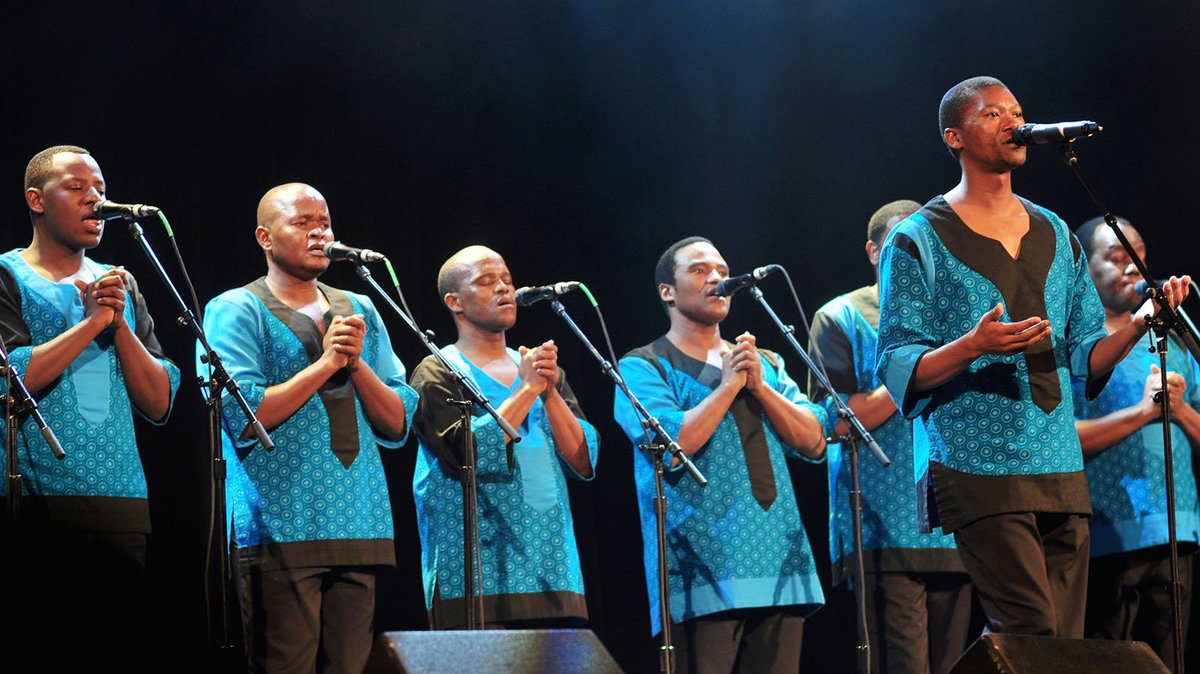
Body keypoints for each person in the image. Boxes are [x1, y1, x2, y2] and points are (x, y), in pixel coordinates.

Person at [874, 76, 1190, 638]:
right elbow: (899, 362)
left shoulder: (1055, 231)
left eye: (1016, 111)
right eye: (992, 114)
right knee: (1029, 632)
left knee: (1063, 644)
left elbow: (1087, 355)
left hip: (1059, 465)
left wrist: (1143, 321)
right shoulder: (916, 238)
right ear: (955, 137)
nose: (1013, 121)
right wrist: (973, 346)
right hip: (976, 464)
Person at [201, 183, 417, 673]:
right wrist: (325, 364)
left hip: (360, 523)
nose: (319, 232)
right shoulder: (236, 308)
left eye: (324, 222)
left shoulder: (359, 306)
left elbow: (398, 421)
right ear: (265, 237)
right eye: (302, 222)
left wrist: (356, 365)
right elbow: (243, 414)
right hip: (281, 527)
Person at [614, 236, 827, 674]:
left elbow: (814, 440)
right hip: (701, 567)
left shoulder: (761, 362)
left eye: (721, 269)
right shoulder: (643, 365)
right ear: (667, 292)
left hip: (782, 565)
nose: (716, 278)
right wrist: (729, 386)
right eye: (698, 270)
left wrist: (760, 386)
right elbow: (671, 446)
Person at [0, 145, 181, 663]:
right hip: (32, 507)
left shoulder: (120, 284)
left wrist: (116, 321)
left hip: (120, 506)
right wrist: (91, 323)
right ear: (36, 200)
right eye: (76, 188)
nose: (95, 200)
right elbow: (12, 381)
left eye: (100, 188)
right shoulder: (6, 276)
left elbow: (159, 401)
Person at [809, 200, 972, 674]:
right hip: (884, 523)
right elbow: (835, 421)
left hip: (952, 518)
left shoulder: (954, 315)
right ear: (873, 251)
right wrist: (916, 369)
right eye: (901, 245)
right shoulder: (840, 315)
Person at [410, 245, 598, 629]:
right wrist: (527, 390)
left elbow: (584, 461)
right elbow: (463, 454)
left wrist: (547, 391)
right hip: (478, 574)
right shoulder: (437, 370)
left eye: (507, 280)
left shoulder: (541, 370)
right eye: (486, 281)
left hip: (553, 566)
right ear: (455, 302)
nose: (503, 289)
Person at [1073, 215, 1200, 667]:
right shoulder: (1080, 349)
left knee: (1168, 661)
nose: (1133, 267)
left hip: (1178, 530)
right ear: (1085, 268)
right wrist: (1143, 412)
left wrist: (1180, 411)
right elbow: (1061, 437)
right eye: (1117, 256)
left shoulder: (1176, 345)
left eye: (1139, 254)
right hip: (1109, 536)